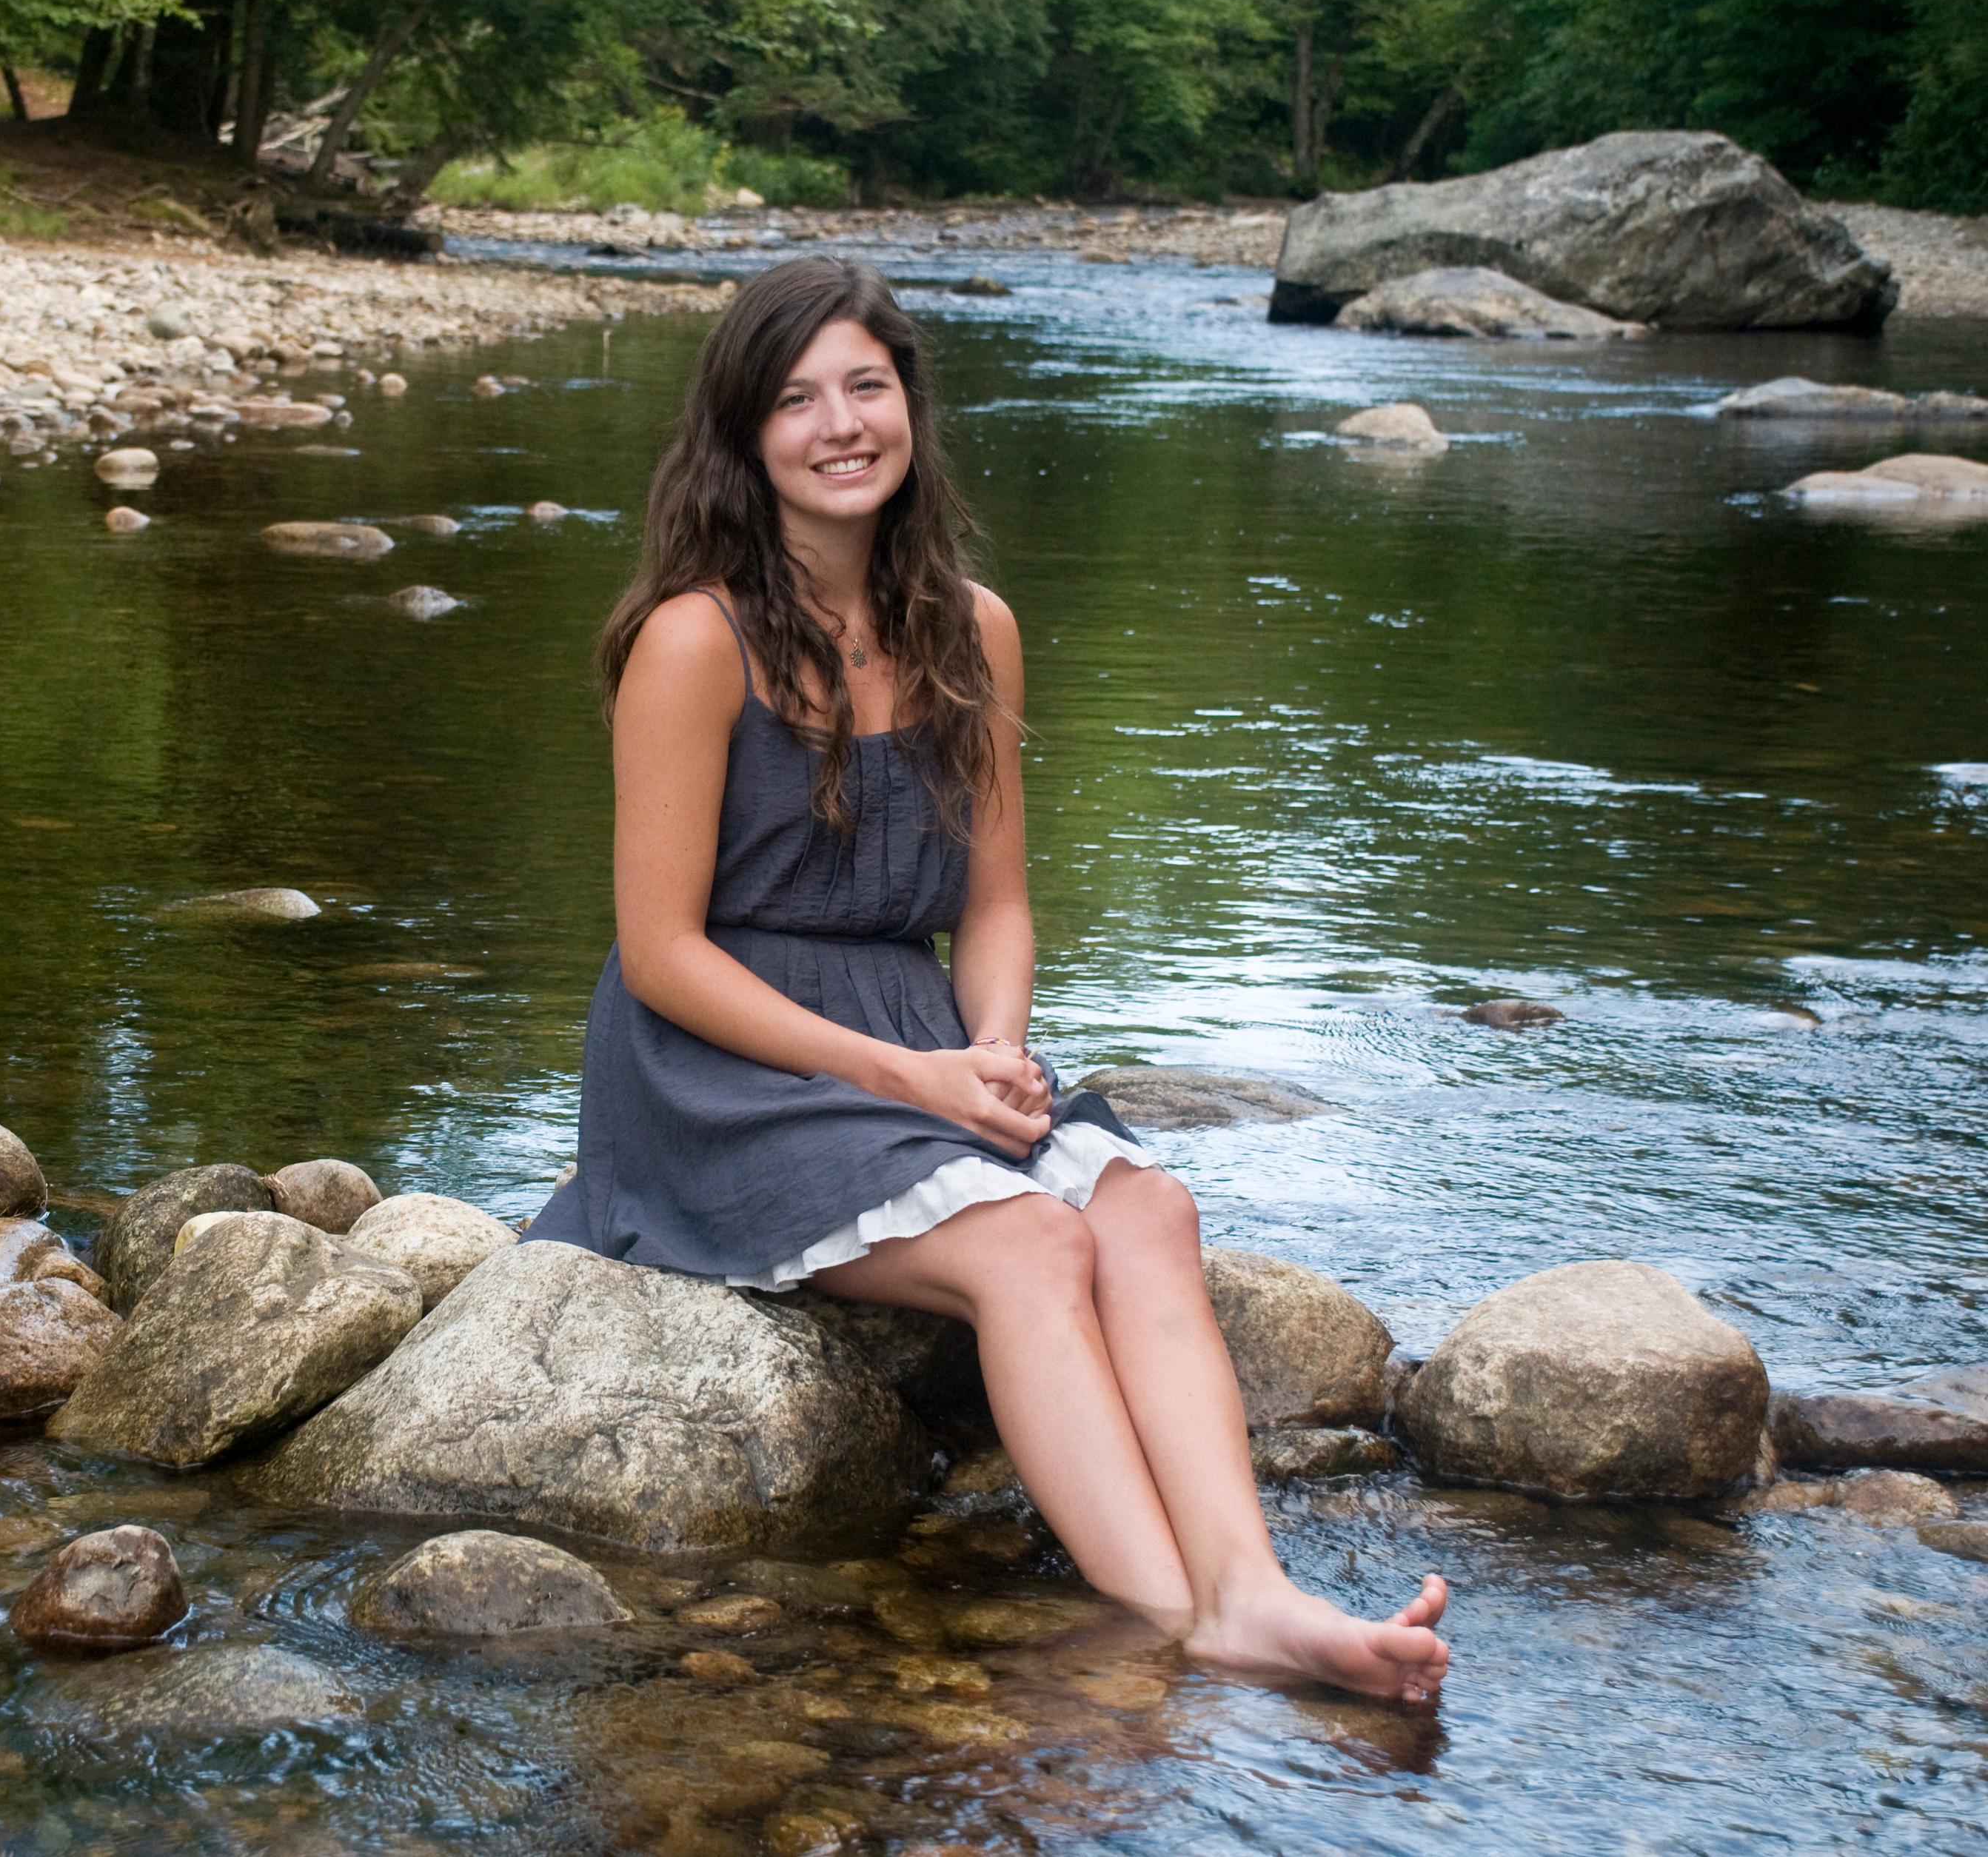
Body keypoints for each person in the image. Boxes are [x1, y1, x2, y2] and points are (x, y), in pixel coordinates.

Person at [524, 257, 1449, 1703]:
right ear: (743, 436)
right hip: (713, 1073)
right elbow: (663, 954)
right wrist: (915, 1076)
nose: (840, 423)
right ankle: (1177, 1623)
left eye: (867, 386)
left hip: (915, 1039)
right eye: (796, 398)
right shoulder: (693, 640)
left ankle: (1253, 1586)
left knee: (1145, 1202)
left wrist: (997, 1046)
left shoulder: (977, 630)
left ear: (910, 406)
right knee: (1030, 1245)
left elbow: (999, 902)